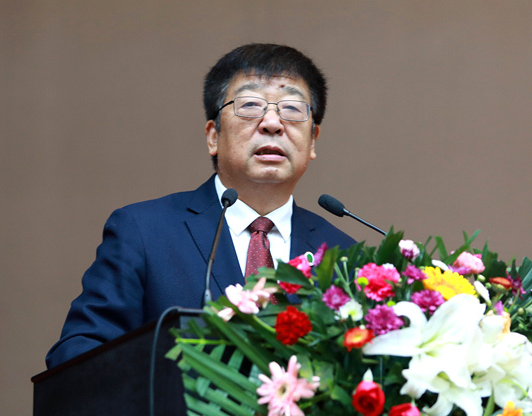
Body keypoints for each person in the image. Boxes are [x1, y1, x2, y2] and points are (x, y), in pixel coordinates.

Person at [46, 43, 356, 369]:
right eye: (250, 105)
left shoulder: (343, 259)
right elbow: (77, 356)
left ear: (313, 140)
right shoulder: (144, 232)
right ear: (213, 136)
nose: (272, 123)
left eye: (292, 109)